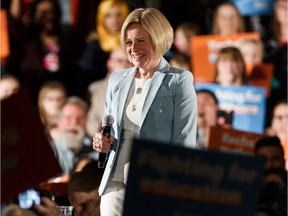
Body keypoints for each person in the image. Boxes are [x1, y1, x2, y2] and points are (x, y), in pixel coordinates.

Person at [92, 8, 197, 215]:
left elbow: (184, 142)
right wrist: (102, 142)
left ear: (158, 39)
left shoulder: (178, 81)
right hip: (116, 183)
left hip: (155, 185)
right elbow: (109, 127)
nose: (133, 48)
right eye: (129, 42)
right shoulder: (116, 80)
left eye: (141, 41)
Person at [78, 0, 130, 91]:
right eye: (108, 16)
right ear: (101, 18)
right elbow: (86, 73)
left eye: (119, 15)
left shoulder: (132, 41)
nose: (114, 20)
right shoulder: (94, 45)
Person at [86, 47, 132, 137]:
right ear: (109, 64)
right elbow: (90, 120)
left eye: (129, 61)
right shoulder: (95, 89)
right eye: (120, 60)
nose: (124, 64)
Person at [50, 96, 98, 174]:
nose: (74, 123)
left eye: (79, 118)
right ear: (58, 121)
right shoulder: (48, 151)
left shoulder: (97, 150)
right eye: (68, 118)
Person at [265, 99, 288, 169]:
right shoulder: (264, 140)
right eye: (279, 117)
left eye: (287, 116)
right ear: (272, 121)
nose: (285, 121)